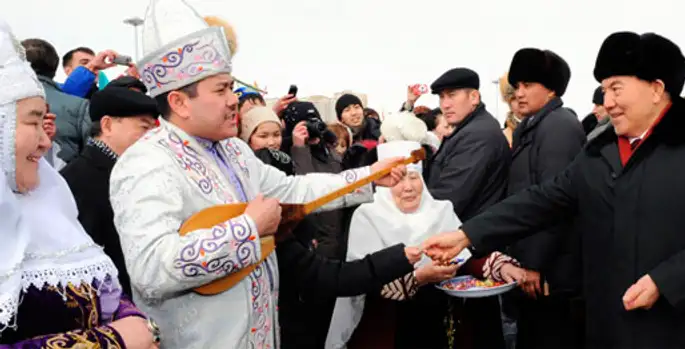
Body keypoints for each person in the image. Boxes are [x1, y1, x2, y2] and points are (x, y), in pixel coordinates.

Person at [422, 31, 685, 349]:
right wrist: (468, 234)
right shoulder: (599, 150)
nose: (606, 101)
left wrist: (667, 281)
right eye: (604, 89)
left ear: (656, 88)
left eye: (616, 88)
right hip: (611, 325)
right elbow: (543, 200)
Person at [110, 1, 416, 347]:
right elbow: (151, 269)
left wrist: (367, 178)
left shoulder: (234, 151)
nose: (233, 101)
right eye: (221, 90)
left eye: (230, 88)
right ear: (180, 102)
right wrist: (248, 228)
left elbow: (292, 189)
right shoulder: (145, 163)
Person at [0, 19, 157, 349]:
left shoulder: (50, 195)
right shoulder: (81, 178)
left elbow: (107, 288)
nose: (47, 142)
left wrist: (136, 322)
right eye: (32, 122)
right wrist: (110, 341)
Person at [326, 140, 524, 349]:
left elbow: (465, 255)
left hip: (438, 323)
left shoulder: (440, 211)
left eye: (414, 177)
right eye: (399, 180)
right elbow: (362, 280)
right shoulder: (367, 216)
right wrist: (418, 278)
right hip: (389, 327)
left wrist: (501, 266)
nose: (408, 187)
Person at [503, 47, 585, 349]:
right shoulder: (536, 125)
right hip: (535, 263)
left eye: (528, 85)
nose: (519, 94)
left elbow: (555, 201)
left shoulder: (558, 127)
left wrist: (535, 264)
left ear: (550, 89)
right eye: (518, 86)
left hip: (552, 270)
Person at [60, 86, 159, 295]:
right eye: (144, 128)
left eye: (154, 129)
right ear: (107, 125)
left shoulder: (139, 171)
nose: (151, 137)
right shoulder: (79, 179)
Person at [426, 67, 511, 221]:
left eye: (452, 95)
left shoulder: (477, 135)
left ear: (474, 97)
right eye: (442, 97)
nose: (445, 105)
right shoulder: (470, 129)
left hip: (466, 234)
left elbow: (449, 198)